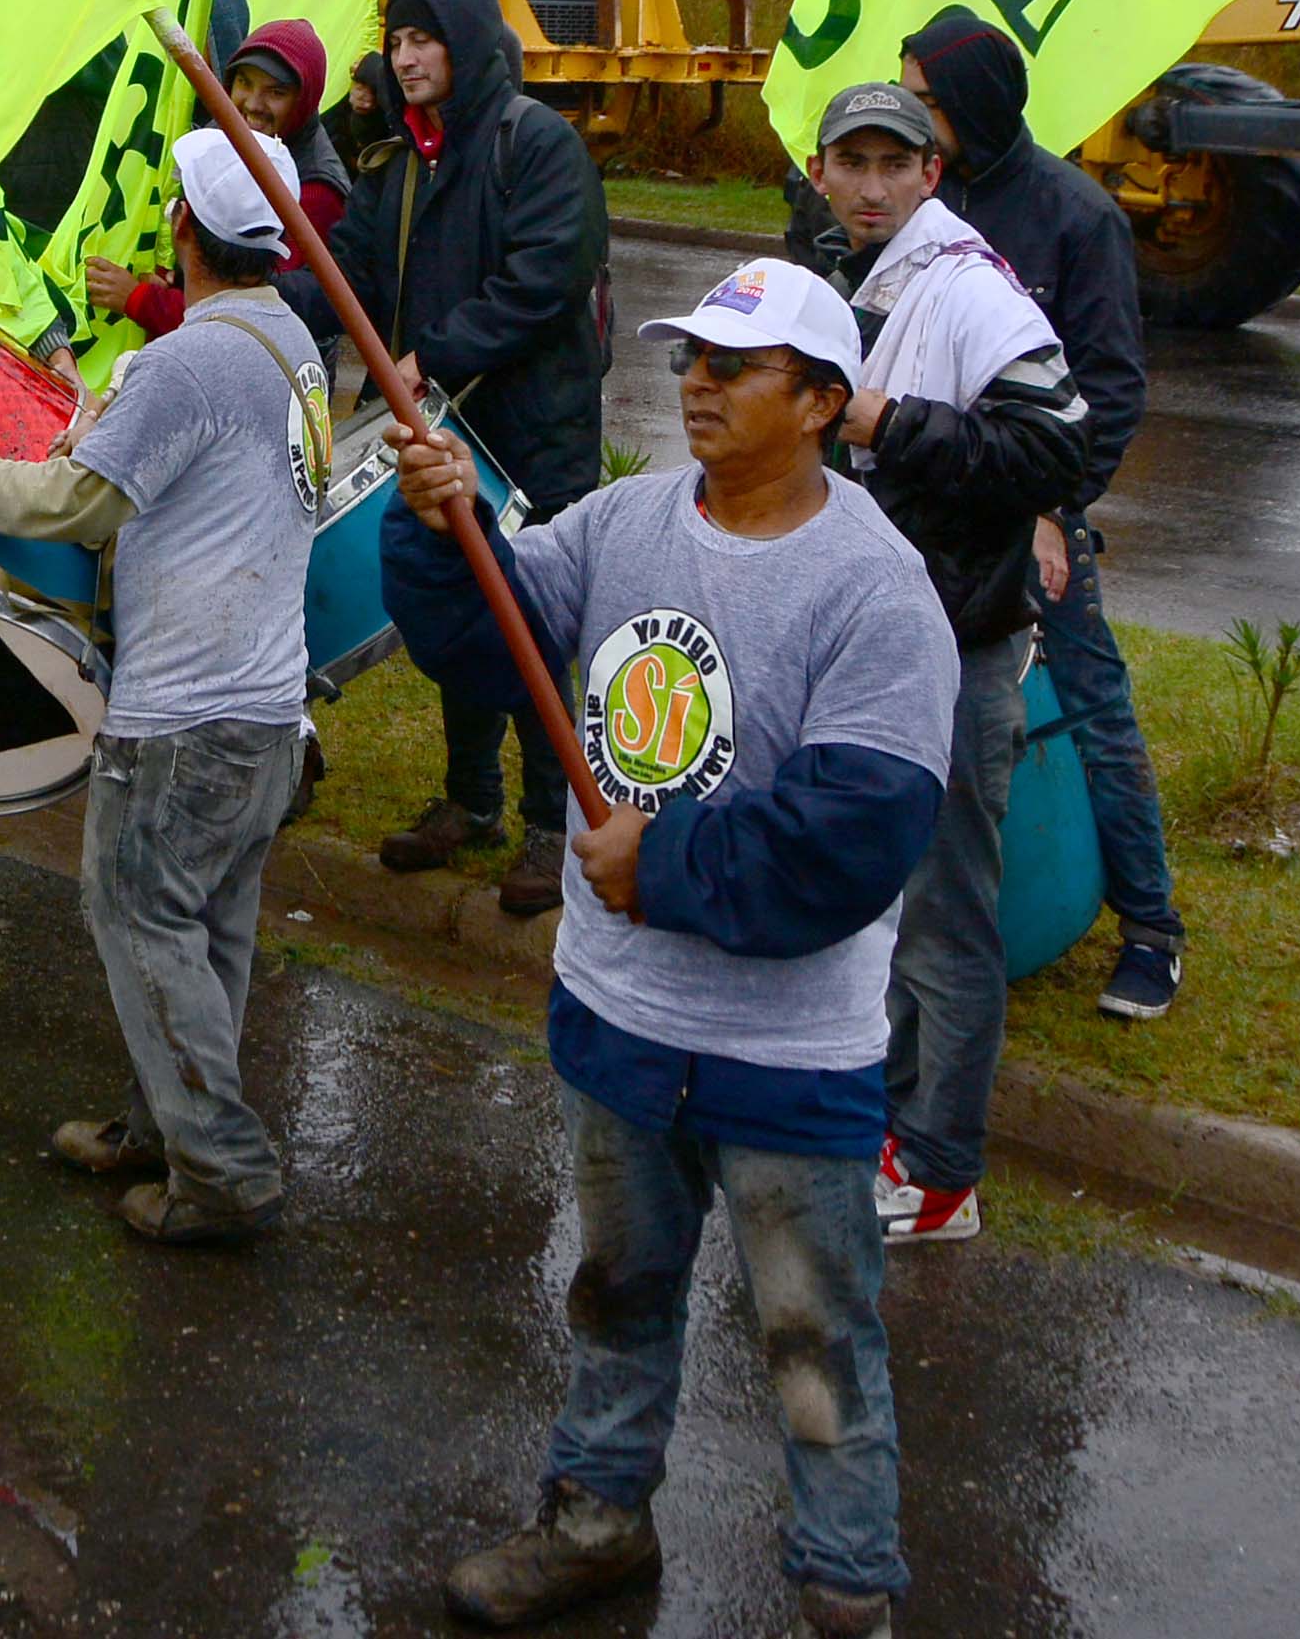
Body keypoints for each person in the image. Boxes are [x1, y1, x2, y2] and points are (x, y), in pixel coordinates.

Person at [416, 256, 953, 1639]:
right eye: (688, 356)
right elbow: (489, 641)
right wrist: (437, 532)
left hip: (789, 1063)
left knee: (813, 1340)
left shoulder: (876, 592)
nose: (696, 381)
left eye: (736, 362)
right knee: (613, 1297)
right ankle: (593, 1525)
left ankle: (844, 1588)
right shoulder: (624, 521)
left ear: (824, 402)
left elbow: (851, 838)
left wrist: (656, 861)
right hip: (618, 1025)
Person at [0, 126, 323, 1240]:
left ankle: (218, 1171)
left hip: (184, 712)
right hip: (264, 707)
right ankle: (163, 1119)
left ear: (184, 228)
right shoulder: (289, 338)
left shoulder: (188, 358)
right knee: (204, 930)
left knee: (137, 915)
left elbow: (74, 502)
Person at [801, 79, 1090, 1251]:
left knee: (948, 918)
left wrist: (887, 424)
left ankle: (940, 1169)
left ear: (929, 173)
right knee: (896, 901)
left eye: (892, 163)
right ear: (821, 172)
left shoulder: (966, 286)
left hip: (961, 647)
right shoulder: (855, 276)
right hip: (889, 639)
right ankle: (892, 1120)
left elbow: (1053, 443)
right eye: (849, 162)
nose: (870, 185)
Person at [887, 10, 1182, 1025]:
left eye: (924, 101)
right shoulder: (917, 204)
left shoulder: (1073, 214)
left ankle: (1150, 928)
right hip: (924, 522)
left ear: (972, 100)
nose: (911, 123)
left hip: (1034, 516)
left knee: (1091, 709)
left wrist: (1054, 512)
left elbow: (1110, 385)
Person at [337, 0, 611, 915]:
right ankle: (471, 798)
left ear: (464, 41)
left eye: (422, 39)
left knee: (532, 619)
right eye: (395, 41)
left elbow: (546, 280)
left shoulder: (534, 145)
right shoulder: (405, 160)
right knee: (455, 615)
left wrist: (431, 357)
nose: (404, 56)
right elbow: (357, 276)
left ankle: (550, 821)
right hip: (446, 428)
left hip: (533, 434)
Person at [86, 19, 348, 340]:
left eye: (275, 92)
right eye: (244, 83)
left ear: (305, 99)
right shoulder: (220, 136)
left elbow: (248, 310)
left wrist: (141, 300)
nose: (252, 104)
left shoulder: (315, 189)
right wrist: (173, 277)